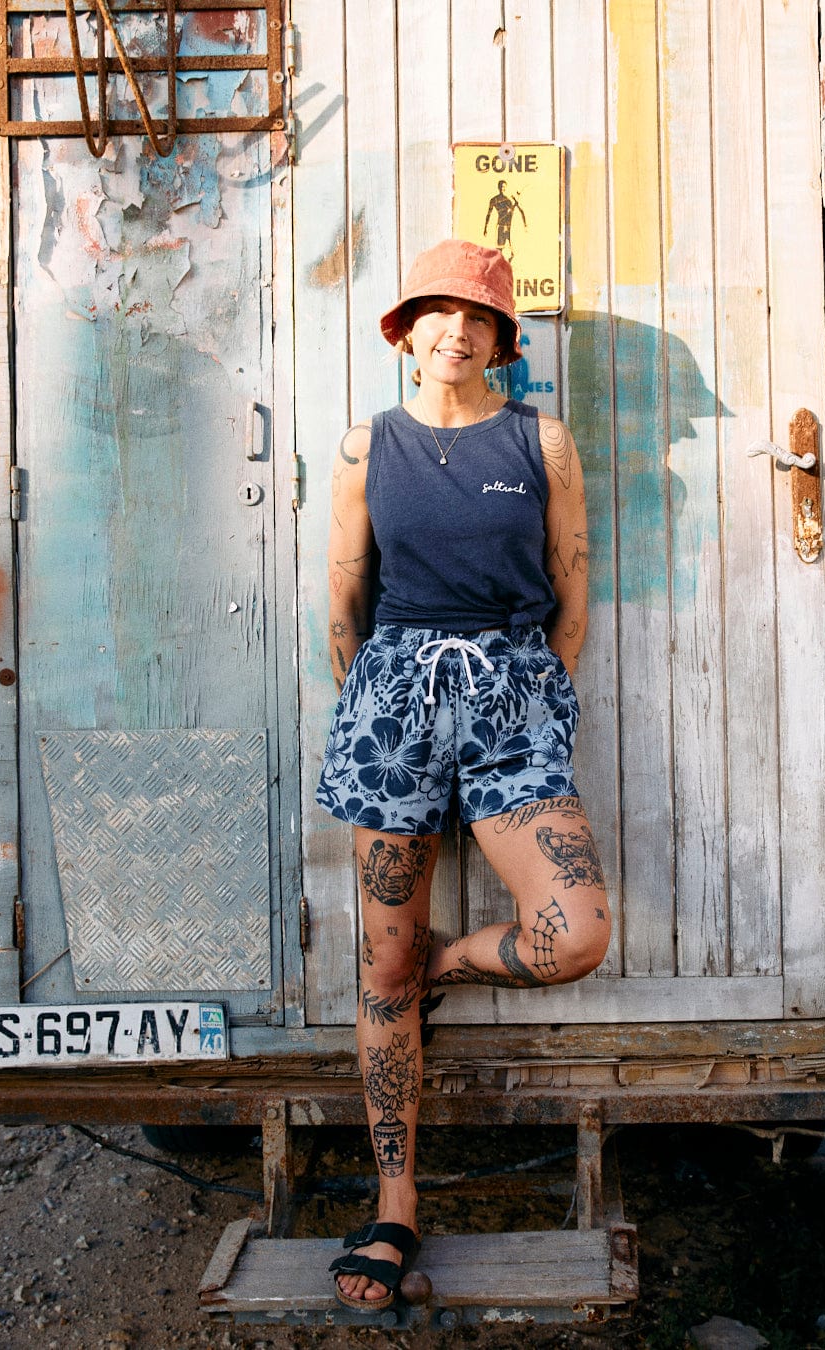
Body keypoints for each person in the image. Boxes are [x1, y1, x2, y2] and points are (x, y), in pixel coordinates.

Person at [317, 238, 611, 1311]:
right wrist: (374, 705)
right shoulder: (368, 446)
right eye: (434, 313)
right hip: (391, 703)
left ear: (499, 339)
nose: (455, 331)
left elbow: (572, 594)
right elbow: (346, 602)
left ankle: (446, 961)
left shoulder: (541, 438)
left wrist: (535, 694)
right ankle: (394, 1206)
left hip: (513, 694)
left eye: (476, 317)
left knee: (572, 931)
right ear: (407, 334)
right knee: (376, 965)